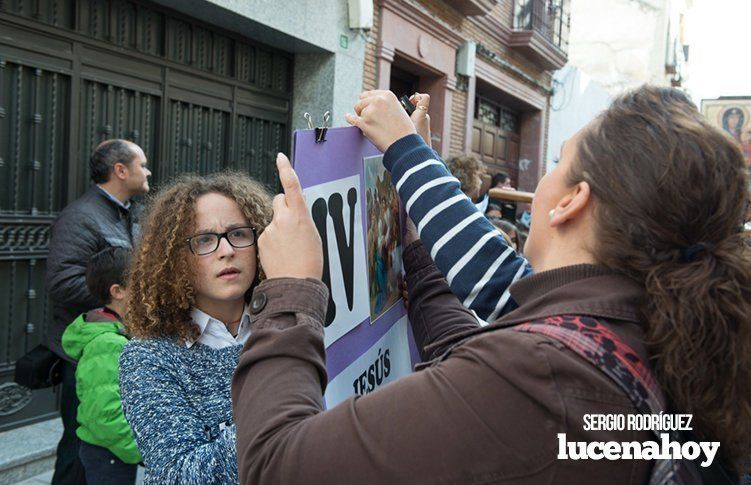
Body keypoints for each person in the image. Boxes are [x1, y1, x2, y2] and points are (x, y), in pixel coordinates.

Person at [230, 87, 751, 483]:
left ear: (571, 201)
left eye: (556, 163)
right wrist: (418, 247)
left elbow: (278, 464)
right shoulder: (644, 327)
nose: (541, 182)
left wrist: (293, 289)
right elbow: (492, 346)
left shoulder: (546, 374)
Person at [118, 171, 272, 484]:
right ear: (174, 258)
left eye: (239, 234)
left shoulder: (289, 326)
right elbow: (181, 474)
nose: (226, 250)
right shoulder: (148, 357)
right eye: (204, 240)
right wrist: (283, 411)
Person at [46, 138, 150, 484]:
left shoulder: (128, 213)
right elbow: (62, 283)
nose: (148, 171)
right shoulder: (80, 217)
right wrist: (117, 300)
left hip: (118, 345)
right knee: (78, 454)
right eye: (142, 165)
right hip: (87, 356)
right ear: (120, 171)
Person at [62, 247, 141, 485]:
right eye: (140, 281)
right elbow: (106, 415)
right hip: (110, 453)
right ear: (117, 291)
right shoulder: (107, 343)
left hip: (114, 450)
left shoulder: (117, 332)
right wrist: (141, 451)